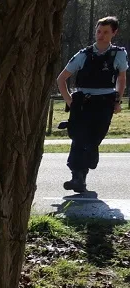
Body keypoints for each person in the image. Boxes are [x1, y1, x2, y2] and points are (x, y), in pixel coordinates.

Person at [56, 16, 127, 193]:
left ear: (114, 33)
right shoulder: (83, 54)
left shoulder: (118, 54)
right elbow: (61, 79)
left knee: (94, 139)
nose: (100, 35)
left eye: (105, 32)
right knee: (78, 138)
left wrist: (117, 101)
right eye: (98, 31)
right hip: (82, 103)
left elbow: (121, 78)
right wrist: (69, 101)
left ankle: (85, 168)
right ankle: (77, 177)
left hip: (104, 103)